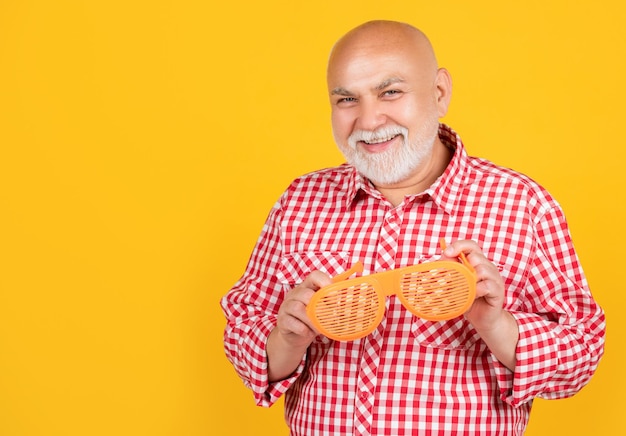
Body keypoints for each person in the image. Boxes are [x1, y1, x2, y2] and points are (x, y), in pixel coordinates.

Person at [220, 20, 605, 435]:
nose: (368, 121)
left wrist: (498, 326)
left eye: (390, 92)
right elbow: (243, 331)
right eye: (347, 99)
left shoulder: (522, 204)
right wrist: (286, 339)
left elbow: (580, 353)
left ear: (439, 93)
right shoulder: (300, 201)